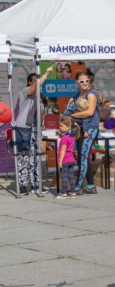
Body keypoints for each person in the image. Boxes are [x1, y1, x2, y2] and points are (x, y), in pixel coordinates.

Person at [14, 67, 52, 195]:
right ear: (30, 82)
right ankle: (23, 186)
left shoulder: (39, 97)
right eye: (36, 80)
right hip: (24, 129)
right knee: (24, 157)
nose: (39, 82)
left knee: (36, 157)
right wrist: (46, 73)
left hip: (36, 130)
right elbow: (36, 87)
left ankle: (36, 185)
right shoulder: (25, 91)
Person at [70, 71, 100, 194]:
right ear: (77, 83)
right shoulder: (77, 95)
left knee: (83, 156)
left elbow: (90, 112)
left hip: (91, 128)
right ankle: (91, 185)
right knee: (82, 157)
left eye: (87, 81)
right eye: (82, 81)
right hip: (80, 128)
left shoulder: (91, 94)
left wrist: (73, 115)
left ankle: (78, 186)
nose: (85, 83)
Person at [56, 115, 78, 199]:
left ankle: (63, 192)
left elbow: (63, 150)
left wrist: (60, 161)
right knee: (71, 176)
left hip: (65, 160)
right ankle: (73, 192)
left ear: (68, 126)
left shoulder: (64, 138)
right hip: (71, 159)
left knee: (64, 177)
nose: (60, 127)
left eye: (61, 126)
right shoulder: (72, 136)